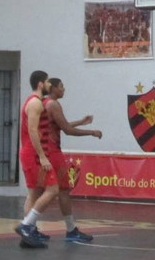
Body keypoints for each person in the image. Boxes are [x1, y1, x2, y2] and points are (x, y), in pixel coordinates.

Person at [39, 77, 103, 242]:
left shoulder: (44, 103)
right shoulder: (53, 104)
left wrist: (81, 122)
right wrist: (91, 132)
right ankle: (70, 229)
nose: (64, 89)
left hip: (46, 150)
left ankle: (30, 225)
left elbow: (61, 125)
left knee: (41, 191)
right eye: (61, 87)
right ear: (53, 88)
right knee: (63, 190)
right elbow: (66, 130)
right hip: (53, 152)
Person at [14, 71, 59, 248]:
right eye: (48, 82)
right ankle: (26, 225)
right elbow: (33, 130)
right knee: (53, 189)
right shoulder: (35, 103)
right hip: (33, 154)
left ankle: (29, 232)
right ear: (41, 84)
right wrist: (42, 156)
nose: (50, 85)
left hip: (30, 152)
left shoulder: (33, 102)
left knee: (34, 192)